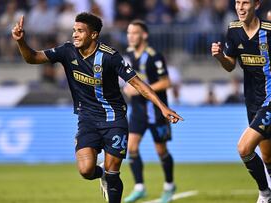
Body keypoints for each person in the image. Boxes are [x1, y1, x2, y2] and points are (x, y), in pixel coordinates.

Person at [12, 12, 183, 203]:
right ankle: (99, 173)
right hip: (87, 119)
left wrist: (162, 107)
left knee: (113, 173)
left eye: (80, 31)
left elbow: (138, 83)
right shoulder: (67, 51)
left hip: (114, 119)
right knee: (86, 171)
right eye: (74, 30)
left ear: (93, 35)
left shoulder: (110, 57)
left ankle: (118, 181)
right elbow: (33, 58)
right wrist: (21, 42)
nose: (75, 35)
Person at [211, 0, 271, 202]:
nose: (241, 7)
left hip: (270, 101)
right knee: (268, 157)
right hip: (252, 101)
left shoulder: (269, 32)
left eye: (245, 2)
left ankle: (264, 193)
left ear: (257, 5)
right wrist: (220, 56)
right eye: (237, 2)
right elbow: (230, 66)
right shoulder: (234, 30)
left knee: (244, 148)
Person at [122, 20, 176, 203]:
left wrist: (141, 89)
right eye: (129, 33)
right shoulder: (129, 54)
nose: (130, 36)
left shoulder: (155, 56)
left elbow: (166, 82)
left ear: (144, 35)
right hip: (137, 110)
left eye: (134, 33)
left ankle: (169, 185)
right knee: (131, 147)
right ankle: (139, 187)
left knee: (161, 150)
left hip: (156, 110)